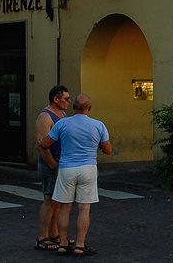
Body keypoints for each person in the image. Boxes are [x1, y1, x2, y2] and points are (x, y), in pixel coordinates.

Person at [39, 93, 113, 256]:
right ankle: (80, 245)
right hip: (88, 168)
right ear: (89, 108)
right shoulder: (98, 125)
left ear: (73, 108)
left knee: (64, 208)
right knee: (84, 208)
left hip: (66, 168)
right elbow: (108, 150)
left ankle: (63, 243)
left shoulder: (63, 123)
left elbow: (45, 143)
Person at [33, 85, 69, 251]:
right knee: (49, 200)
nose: (68, 102)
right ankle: (42, 236)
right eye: (66, 99)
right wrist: (52, 164)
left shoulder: (62, 114)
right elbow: (41, 145)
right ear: (56, 99)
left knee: (57, 202)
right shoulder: (45, 117)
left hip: (60, 162)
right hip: (51, 163)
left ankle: (54, 234)